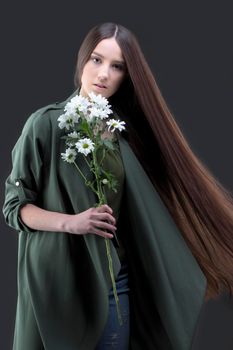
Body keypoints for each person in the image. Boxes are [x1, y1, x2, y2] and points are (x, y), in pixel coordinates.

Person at [3, 21, 233, 350]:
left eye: (117, 66)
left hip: (115, 281)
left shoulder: (123, 135)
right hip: (59, 285)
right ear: (82, 60)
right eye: (96, 60)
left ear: (127, 76)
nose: (104, 74)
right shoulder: (45, 125)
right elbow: (15, 207)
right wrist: (72, 222)